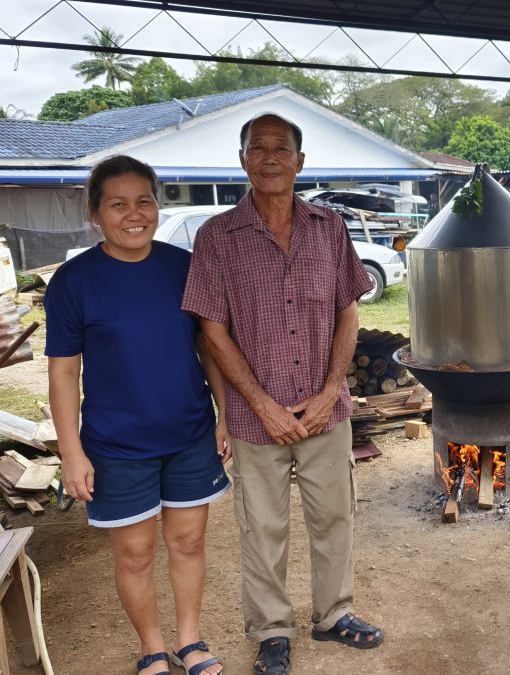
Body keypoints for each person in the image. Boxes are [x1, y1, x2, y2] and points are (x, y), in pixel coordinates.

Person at [182, 113, 384, 674]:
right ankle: (272, 630)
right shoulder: (216, 237)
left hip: (326, 410)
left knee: (333, 516)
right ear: (242, 158)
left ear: (300, 160)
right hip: (255, 418)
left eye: (281, 148)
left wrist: (330, 390)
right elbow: (212, 330)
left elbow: (349, 312)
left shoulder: (330, 228)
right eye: (258, 148)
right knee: (262, 527)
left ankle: (334, 614)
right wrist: (263, 406)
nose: (270, 157)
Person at [47, 155, 230, 675]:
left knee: (189, 541)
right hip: (116, 444)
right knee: (135, 553)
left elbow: (208, 348)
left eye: (144, 201)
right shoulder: (73, 281)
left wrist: (221, 415)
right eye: (118, 204)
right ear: (95, 213)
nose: (134, 214)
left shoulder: (183, 267)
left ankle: (190, 640)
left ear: (157, 204)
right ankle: (153, 646)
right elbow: (63, 374)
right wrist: (71, 452)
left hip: (190, 434)